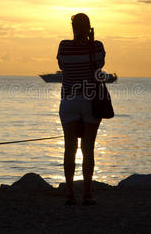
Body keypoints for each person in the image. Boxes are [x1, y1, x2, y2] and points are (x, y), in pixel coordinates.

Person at [57, 13, 105, 205]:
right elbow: (99, 65)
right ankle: (87, 193)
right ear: (89, 27)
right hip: (90, 101)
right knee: (88, 148)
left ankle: (70, 194)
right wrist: (90, 41)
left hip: (69, 100)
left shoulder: (64, 46)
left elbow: (62, 65)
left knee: (70, 148)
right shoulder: (97, 46)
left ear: (72, 27)